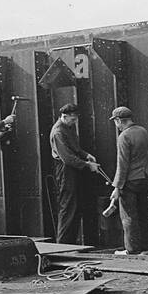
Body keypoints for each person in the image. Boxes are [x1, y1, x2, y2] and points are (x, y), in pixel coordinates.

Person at [49, 102, 101, 245]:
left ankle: (69, 244)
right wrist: (87, 165)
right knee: (68, 208)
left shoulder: (68, 127)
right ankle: (62, 245)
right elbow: (67, 158)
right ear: (64, 116)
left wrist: (86, 155)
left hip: (74, 169)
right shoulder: (58, 132)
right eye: (72, 119)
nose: (74, 122)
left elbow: (74, 148)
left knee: (74, 207)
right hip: (66, 171)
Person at [109, 105, 148, 255]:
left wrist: (117, 187)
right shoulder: (143, 131)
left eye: (115, 121)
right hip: (144, 178)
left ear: (118, 120)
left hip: (130, 181)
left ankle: (132, 249)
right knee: (142, 214)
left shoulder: (124, 137)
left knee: (128, 216)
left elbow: (122, 164)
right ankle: (145, 248)